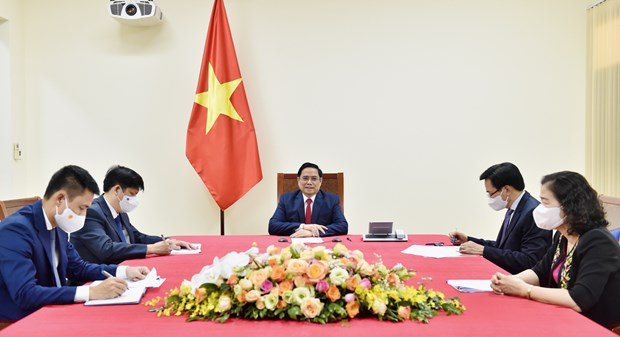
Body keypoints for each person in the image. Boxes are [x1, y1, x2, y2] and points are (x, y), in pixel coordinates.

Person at [0, 165, 149, 320]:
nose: (83, 215)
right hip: (22, 318)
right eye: (81, 208)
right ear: (60, 199)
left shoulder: (58, 223)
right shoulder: (15, 230)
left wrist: (124, 272)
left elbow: (78, 267)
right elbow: (25, 294)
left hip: (55, 306)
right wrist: (90, 292)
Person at [490, 171, 620, 329]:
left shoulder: (598, 241)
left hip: (595, 326)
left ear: (568, 206)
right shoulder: (563, 236)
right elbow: (539, 272)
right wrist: (510, 282)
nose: (538, 209)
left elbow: (579, 300)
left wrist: (525, 290)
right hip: (566, 319)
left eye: (545, 203)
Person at [71, 165, 194, 264]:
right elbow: (105, 249)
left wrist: (167, 241)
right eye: (132, 194)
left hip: (124, 269)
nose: (134, 199)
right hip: (96, 279)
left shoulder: (120, 211)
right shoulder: (92, 212)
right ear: (117, 190)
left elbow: (136, 237)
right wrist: (151, 249)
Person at [449, 162, 551, 274]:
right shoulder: (514, 209)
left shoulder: (532, 212)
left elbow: (530, 261)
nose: (489, 198)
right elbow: (503, 247)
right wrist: (469, 240)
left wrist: (484, 251)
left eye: (491, 194)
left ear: (506, 190)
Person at [269, 162, 348, 237]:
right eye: (305, 178)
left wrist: (312, 233)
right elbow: (273, 226)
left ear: (320, 181)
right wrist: (302, 227)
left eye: (314, 179)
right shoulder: (286, 199)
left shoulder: (332, 200)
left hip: (322, 246)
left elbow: (342, 226)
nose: (309, 182)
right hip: (294, 244)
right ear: (298, 180)